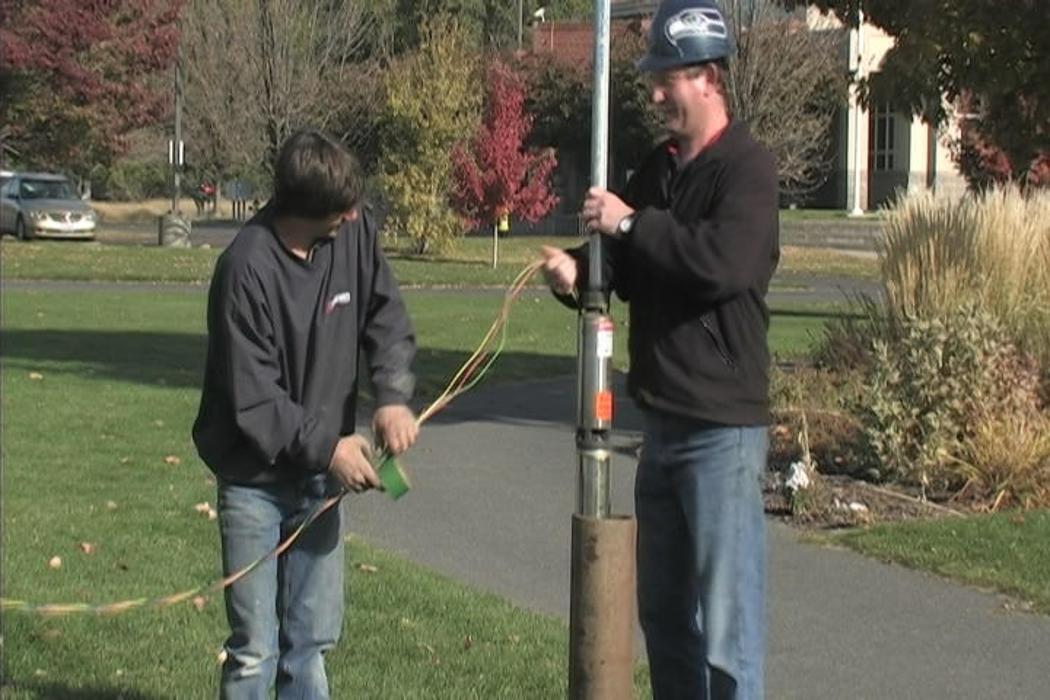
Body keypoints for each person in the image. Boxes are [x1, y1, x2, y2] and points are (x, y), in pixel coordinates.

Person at [541, 1, 779, 697]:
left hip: (722, 433)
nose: (652, 94)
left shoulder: (747, 170)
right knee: (666, 619)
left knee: (727, 635)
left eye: (665, 79)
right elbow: (634, 271)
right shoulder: (659, 167)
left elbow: (722, 265)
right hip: (663, 426)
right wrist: (581, 276)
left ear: (706, 77)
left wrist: (632, 221)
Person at [192, 129, 418, 698]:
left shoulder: (353, 233)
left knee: (310, 644)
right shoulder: (245, 270)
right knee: (253, 651)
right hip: (253, 483)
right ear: (305, 210)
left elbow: (385, 316)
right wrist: (330, 447)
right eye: (341, 210)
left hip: (319, 484)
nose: (353, 216)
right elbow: (256, 400)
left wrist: (391, 394)